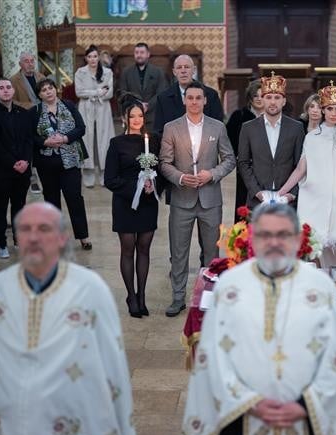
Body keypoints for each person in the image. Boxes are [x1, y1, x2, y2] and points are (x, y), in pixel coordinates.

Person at [0, 202, 139, 435]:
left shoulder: (90, 291)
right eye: (25, 229)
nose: (33, 237)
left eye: (44, 229)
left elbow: (112, 370)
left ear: (62, 238)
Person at [179, 203, 336, 435]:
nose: (274, 243)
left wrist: (305, 405)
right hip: (240, 418)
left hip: (305, 422)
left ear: (297, 239)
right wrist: (249, 402)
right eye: (265, 235)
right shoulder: (230, 287)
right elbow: (212, 358)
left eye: (283, 235)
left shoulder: (321, 288)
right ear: (253, 239)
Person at [158, 81, 236, 317]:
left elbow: (229, 159)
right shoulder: (171, 128)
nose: (194, 102)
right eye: (190, 98)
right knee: (179, 251)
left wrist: (212, 174)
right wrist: (181, 178)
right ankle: (178, 297)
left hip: (210, 200)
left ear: (205, 101)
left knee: (212, 252)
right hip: (182, 199)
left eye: (198, 98)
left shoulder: (217, 127)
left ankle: (209, 296)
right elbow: (164, 162)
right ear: (184, 100)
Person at [277, 82, 336, 267]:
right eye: (329, 108)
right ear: (323, 110)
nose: (333, 113)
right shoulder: (312, 138)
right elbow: (300, 170)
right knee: (317, 250)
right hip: (316, 201)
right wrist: (280, 193)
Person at [105, 98, 161, 319]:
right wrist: (135, 187)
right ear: (124, 119)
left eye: (140, 116)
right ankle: (131, 296)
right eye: (132, 116)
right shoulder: (116, 143)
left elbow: (162, 170)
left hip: (148, 202)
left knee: (144, 248)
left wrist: (153, 184)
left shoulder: (153, 141)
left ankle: (142, 295)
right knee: (128, 249)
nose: (137, 120)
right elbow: (110, 179)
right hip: (125, 202)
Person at [32, 78, 93, 251]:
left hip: (71, 161)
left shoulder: (69, 105)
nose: (48, 92)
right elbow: (30, 136)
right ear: (39, 95)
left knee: (75, 199)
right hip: (47, 163)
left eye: (50, 88)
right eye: (44, 90)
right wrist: (45, 142)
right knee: (51, 201)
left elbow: (81, 128)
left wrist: (66, 138)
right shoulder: (35, 111)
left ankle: (83, 236)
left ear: (55, 89)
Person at [237, 73, 305, 208]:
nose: (273, 102)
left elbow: (300, 165)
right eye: (268, 97)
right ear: (262, 100)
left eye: (277, 97)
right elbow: (243, 163)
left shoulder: (296, 128)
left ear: (284, 101)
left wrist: (292, 194)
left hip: (288, 201)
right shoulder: (248, 128)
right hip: (258, 200)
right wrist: (257, 192)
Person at [0, 78, 32, 259]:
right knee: (0, 208)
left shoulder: (23, 113)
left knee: (20, 206)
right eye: (1, 88)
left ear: (13, 91)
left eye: (8, 87)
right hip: (1, 170)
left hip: (23, 169)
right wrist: (12, 163)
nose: (5, 90)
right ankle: (1, 243)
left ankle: (19, 239)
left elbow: (29, 140)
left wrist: (25, 161)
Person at [75, 44, 115, 187]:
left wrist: (93, 93)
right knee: (87, 139)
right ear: (86, 58)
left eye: (95, 56)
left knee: (104, 140)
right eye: (90, 56)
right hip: (86, 108)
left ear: (99, 58)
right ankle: (88, 173)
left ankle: (104, 173)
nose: (93, 59)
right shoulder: (80, 72)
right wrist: (97, 92)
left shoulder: (107, 72)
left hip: (103, 109)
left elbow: (109, 93)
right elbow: (79, 92)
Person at [153, 54, 224, 135]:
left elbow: (218, 128)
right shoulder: (163, 99)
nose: (183, 71)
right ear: (174, 72)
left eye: (187, 67)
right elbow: (159, 131)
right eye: (179, 67)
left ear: (194, 70)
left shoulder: (211, 95)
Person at [225, 79, 263, 219]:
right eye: (255, 95)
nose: (259, 99)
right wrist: (237, 156)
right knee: (244, 206)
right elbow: (228, 140)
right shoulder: (239, 116)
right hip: (245, 168)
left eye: (262, 95)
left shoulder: (273, 117)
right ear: (250, 98)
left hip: (268, 169)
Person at [117, 42, 168, 132]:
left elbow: (161, 92)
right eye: (136, 53)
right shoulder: (127, 72)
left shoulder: (158, 72)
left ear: (148, 54)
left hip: (152, 116)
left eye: (142, 52)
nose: (139, 55)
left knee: (152, 140)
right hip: (132, 116)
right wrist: (137, 104)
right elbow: (123, 92)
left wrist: (148, 105)